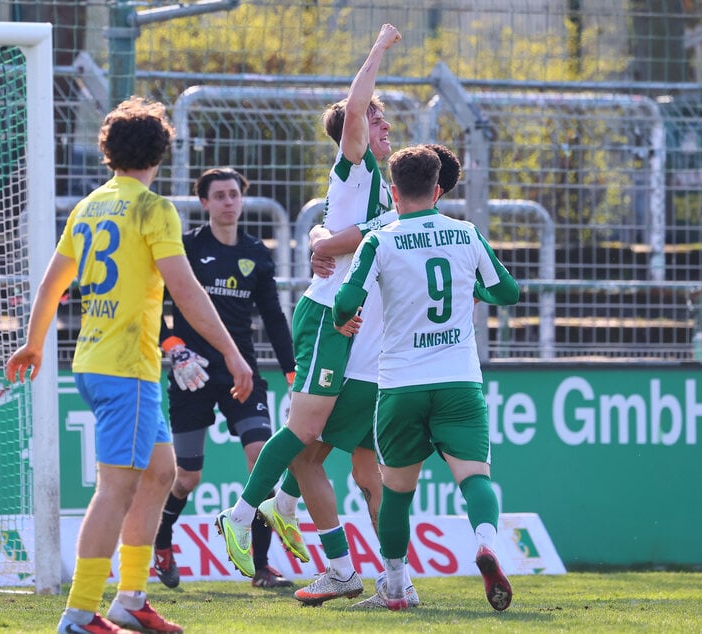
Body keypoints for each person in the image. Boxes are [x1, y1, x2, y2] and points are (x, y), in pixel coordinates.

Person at [5, 96, 253, 634]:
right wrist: (233, 352)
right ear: (161, 149)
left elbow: (53, 281)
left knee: (161, 473)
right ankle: (78, 612)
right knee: (116, 487)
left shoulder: (91, 205)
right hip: (125, 368)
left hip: (98, 361)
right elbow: (185, 291)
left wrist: (34, 342)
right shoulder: (152, 208)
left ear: (109, 151)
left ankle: (130, 599)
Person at [214, 23, 401, 604]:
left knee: (324, 454)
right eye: (376, 118)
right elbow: (353, 123)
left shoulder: (388, 190)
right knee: (306, 432)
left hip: (362, 327)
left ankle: (322, 542)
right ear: (354, 129)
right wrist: (377, 50)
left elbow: (346, 237)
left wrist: (324, 238)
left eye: (383, 118)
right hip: (327, 317)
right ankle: (244, 515)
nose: (385, 125)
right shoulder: (358, 165)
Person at [332, 144, 520, 612]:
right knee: (475, 478)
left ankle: (395, 586)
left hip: (400, 384)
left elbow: (345, 300)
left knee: (395, 490)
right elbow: (508, 291)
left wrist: (343, 320)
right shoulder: (465, 233)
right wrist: (469, 290)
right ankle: (486, 544)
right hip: (458, 379)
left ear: (394, 192)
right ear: (437, 190)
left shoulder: (381, 239)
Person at [290, 142, 463, 609]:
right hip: (406, 372)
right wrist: (320, 238)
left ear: (401, 187)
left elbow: (347, 287)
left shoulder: (390, 228)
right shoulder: (453, 234)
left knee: (303, 456)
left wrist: (320, 243)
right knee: (371, 475)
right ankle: (398, 582)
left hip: (364, 369)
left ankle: (341, 569)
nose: (382, 130)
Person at [152, 167, 297, 590]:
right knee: (187, 477)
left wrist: (291, 369)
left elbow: (272, 316)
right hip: (192, 374)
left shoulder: (257, 252)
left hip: (241, 372)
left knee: (262, 459)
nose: (229, 202)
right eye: (219, 196)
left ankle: (261, 566)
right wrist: (173, 346)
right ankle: (162, 542)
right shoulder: (187, 249)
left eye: (234, 195)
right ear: (204, 203)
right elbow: (153, 310)